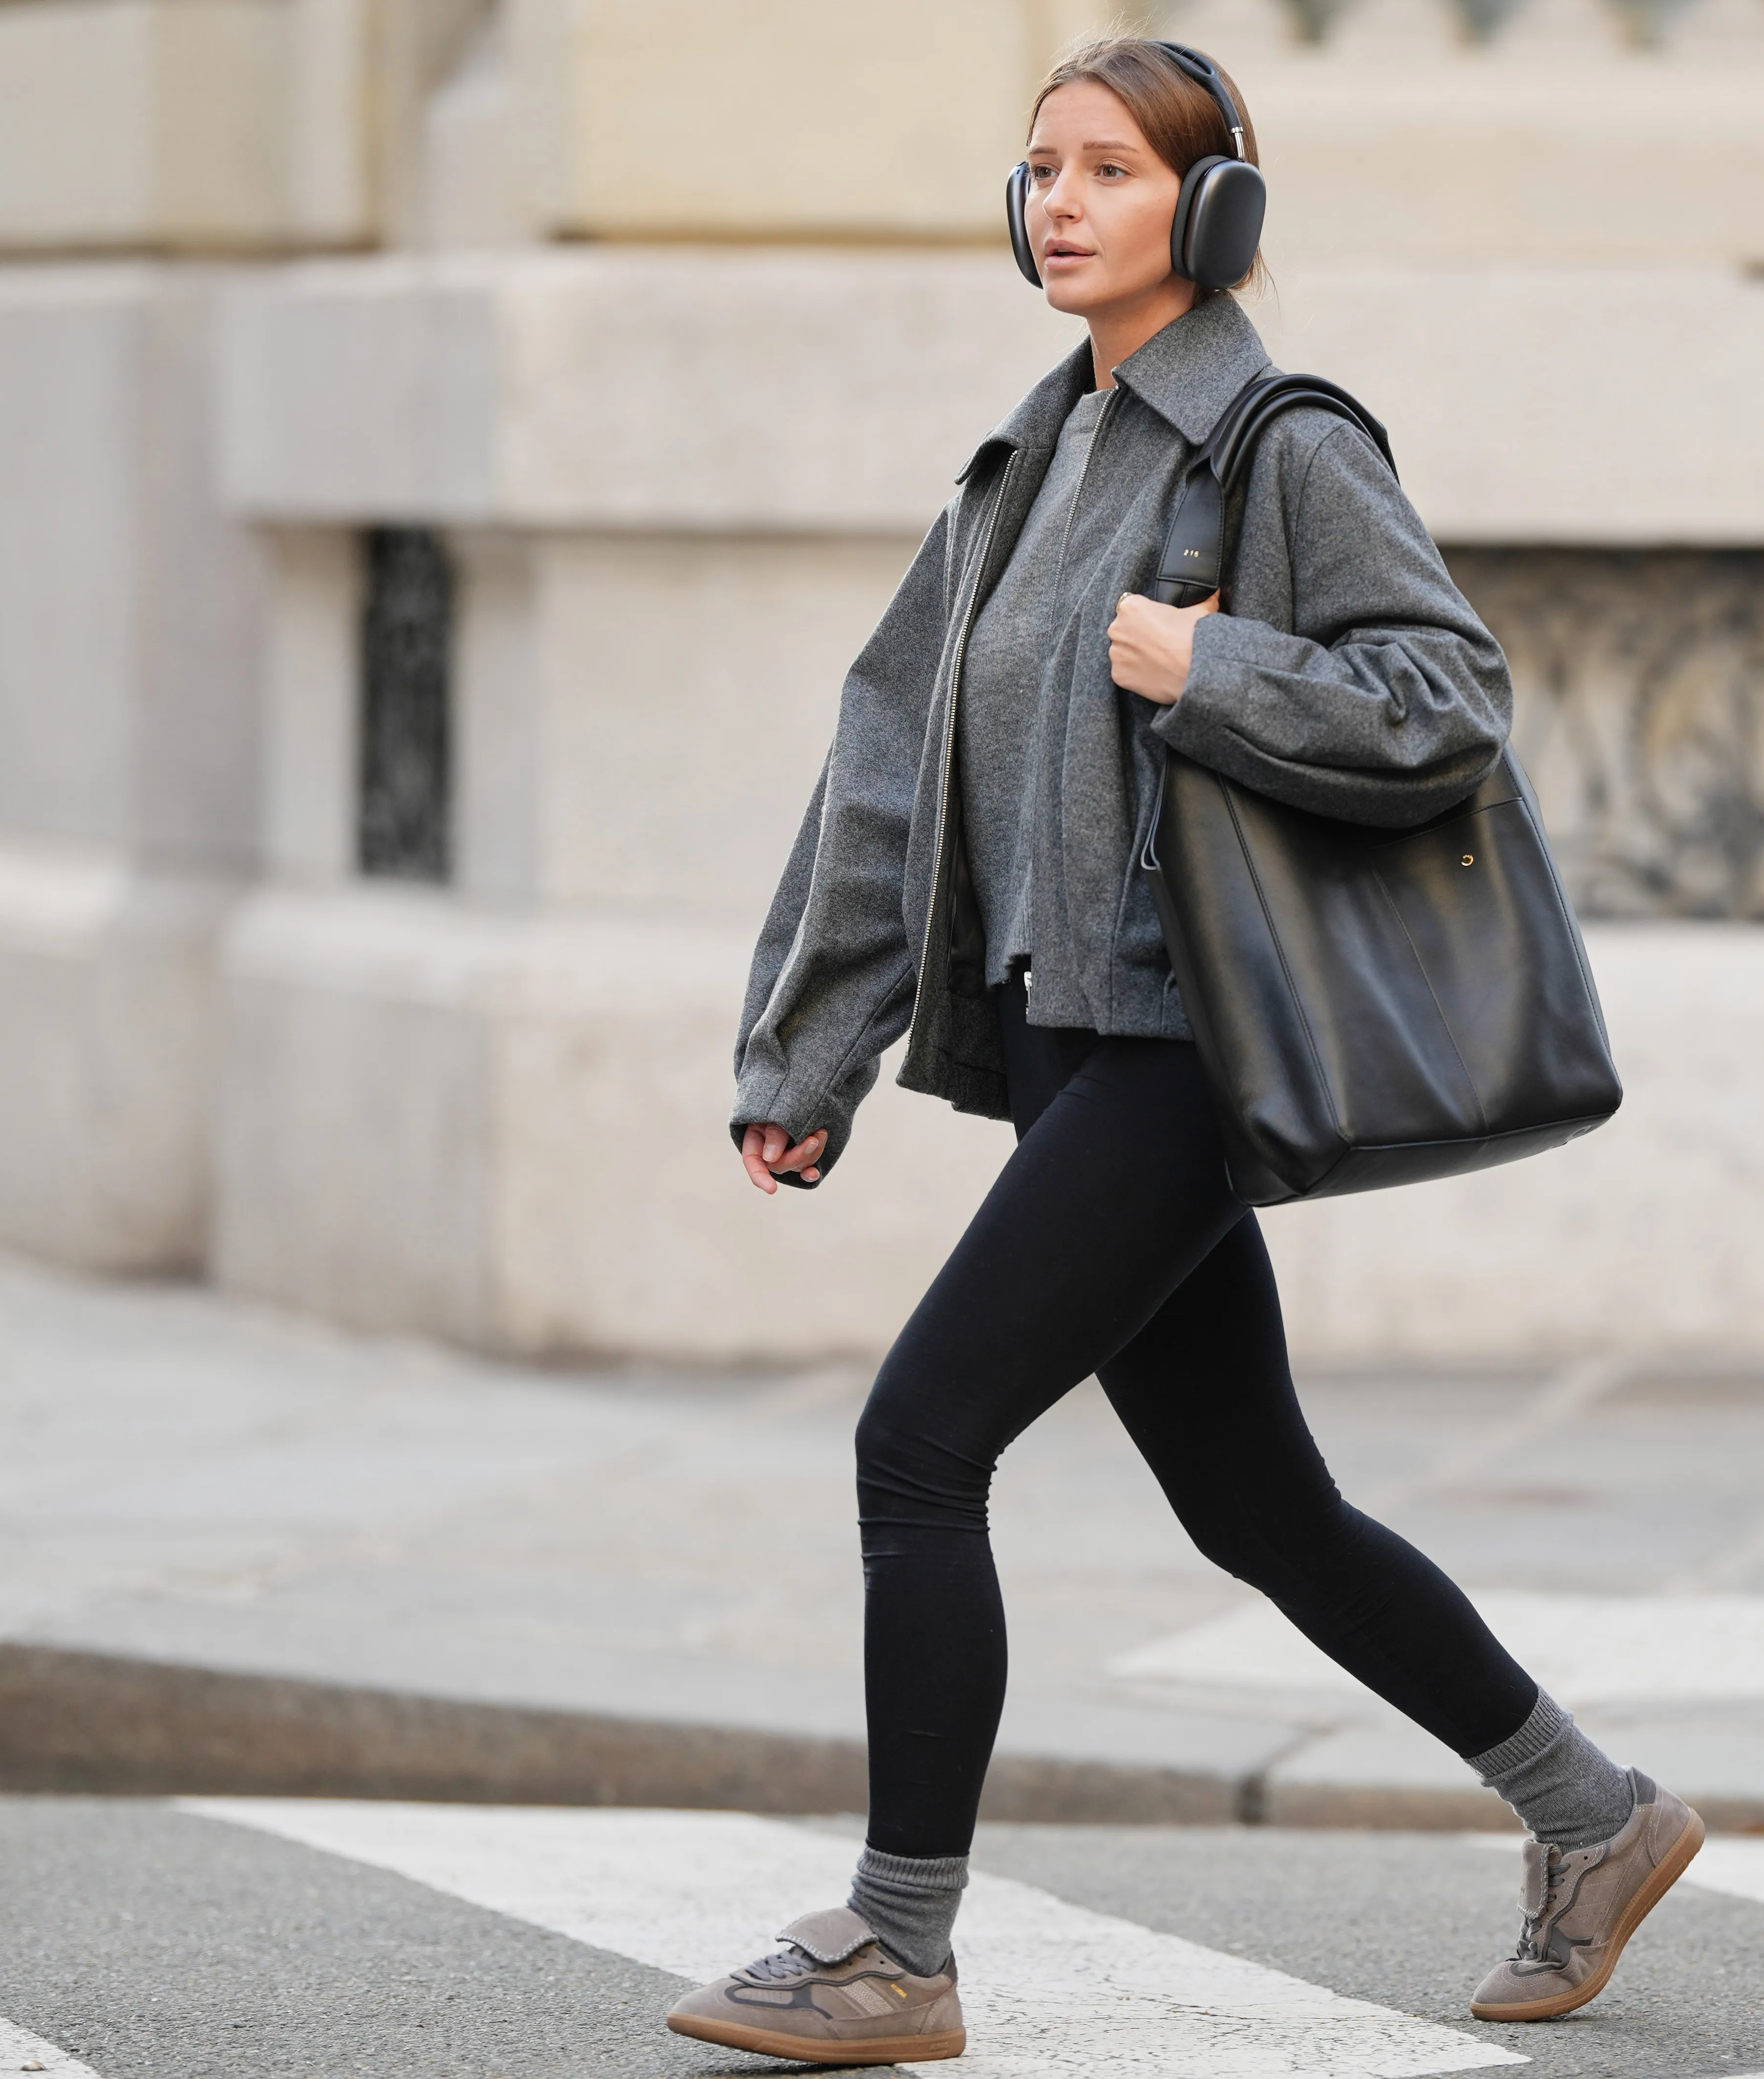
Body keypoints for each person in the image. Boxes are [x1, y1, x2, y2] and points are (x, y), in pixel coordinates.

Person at [670, 38, 1702, 2069]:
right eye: (1039, 169)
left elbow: (1445, 697)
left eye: (1111, 171)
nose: (1059, 203)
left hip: (1172, 1047)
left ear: (1210, 211)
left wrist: (1203, 660)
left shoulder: (1277, 446)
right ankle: (1593, 1814)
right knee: (1259, 1505)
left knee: (918, 1440)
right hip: (1070, 1047)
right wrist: (809, 1051)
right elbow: (889, 761)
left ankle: (896, 1945)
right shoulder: (1029, 458)